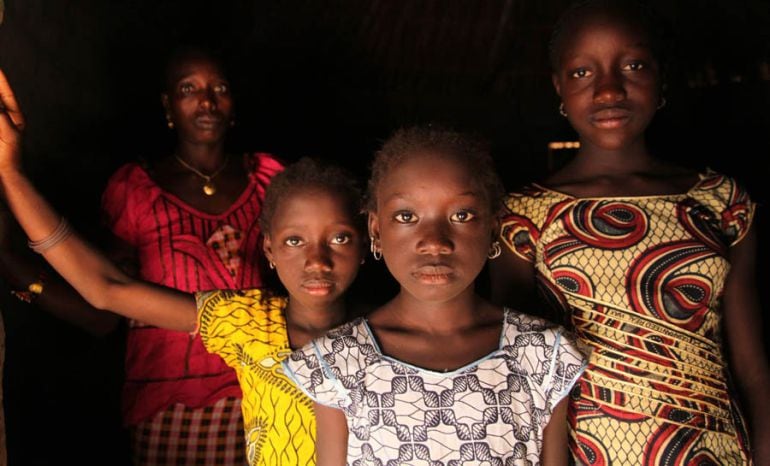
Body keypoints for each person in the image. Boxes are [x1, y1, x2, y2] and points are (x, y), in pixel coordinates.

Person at [0, 67, 368, 465]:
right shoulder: (245, 321)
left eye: (340, 238)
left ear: (368, 242)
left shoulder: (382, 335)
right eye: (294, 240)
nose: (317, 259)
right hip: (170, 405)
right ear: (269, 248)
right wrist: (9, 172)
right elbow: (106, 288)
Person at [489, 1, 770, 464]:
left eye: (634, 65)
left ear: (661, 78)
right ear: (559, 86)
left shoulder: (722, 202)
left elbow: (751, 368)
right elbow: (521, 371)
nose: (608, 89)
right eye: (583, 72)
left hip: (714, 454)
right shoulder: (524, 216)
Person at [283, 126, 589, 465]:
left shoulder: (543, 356)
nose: (434, 241)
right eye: (407, 216)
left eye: (461, 215)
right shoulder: (338, 362)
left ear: (491, 229)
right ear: (376, 230)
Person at [103, 46, 284, 465]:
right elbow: (110, 292)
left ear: (233, 103)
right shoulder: (136, 190)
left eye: (219, 88)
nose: (207, 101)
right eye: (189, 89)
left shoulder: (270, 179)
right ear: (168, 104)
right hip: (169, 402)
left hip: (262, 386)